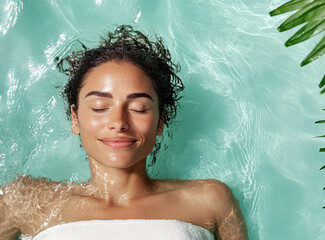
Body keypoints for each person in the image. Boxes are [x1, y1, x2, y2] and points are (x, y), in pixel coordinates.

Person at [0, 25, 248, 240]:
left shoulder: (211, 201)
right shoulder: (23, 202)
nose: (118, 122)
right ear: (75, 119)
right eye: (99, 107)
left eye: (139, 109)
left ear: (160, 121)